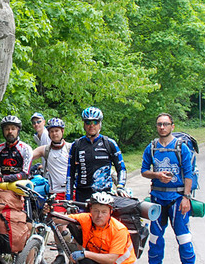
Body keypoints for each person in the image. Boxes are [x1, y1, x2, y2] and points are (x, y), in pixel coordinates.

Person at [140, 113, 195, 264]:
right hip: (157, 198)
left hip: (177, 198)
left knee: (183, 237)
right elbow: (144, 171)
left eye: (165, 124)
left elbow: (189, 174)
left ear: (172, 126)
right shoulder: (151, 148)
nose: (162, 127)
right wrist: (157, 175)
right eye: (159, 124)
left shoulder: (181, 147)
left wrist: (186, 198)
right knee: (155, 238)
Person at [53, 192, 136, 264]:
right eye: (96, 211)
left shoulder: (119, 230)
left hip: (120, 262)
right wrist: (49, 211)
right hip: (100, 260)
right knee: (84, 261)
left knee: (84, 258)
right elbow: (61, 219)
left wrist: (85, 254)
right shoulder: (86, 218)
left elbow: (111, 259)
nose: (99, 215)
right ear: (91, 210)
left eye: (104, 212)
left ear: (110, 212)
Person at [66, 107, 127, 203]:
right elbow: (70, 174)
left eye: (95, 122)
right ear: (84, 124)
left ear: (100, 124)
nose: (91, 126)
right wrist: (68, 198)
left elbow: (121, 168)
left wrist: (120, 186)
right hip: (82, 195)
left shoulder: (109, 143)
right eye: (88, 122)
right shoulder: (77, 145)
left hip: (104, 194)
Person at [30, 117, 71, 211]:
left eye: (57, 130)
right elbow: (28, 157)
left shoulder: (70, 148)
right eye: (51, 131)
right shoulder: (45, 150)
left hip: (71, 191)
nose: (54, 134)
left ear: (62, 131)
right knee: (59, 222)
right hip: (56, 193)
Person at [0, 115, 34, 184]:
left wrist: (5, 178)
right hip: (2, 185)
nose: (10, 131)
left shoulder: (25, 149)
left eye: (13, 129)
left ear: (18, 131)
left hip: (21, 186)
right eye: (7, 129)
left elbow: (25, 174)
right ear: (3, 131)